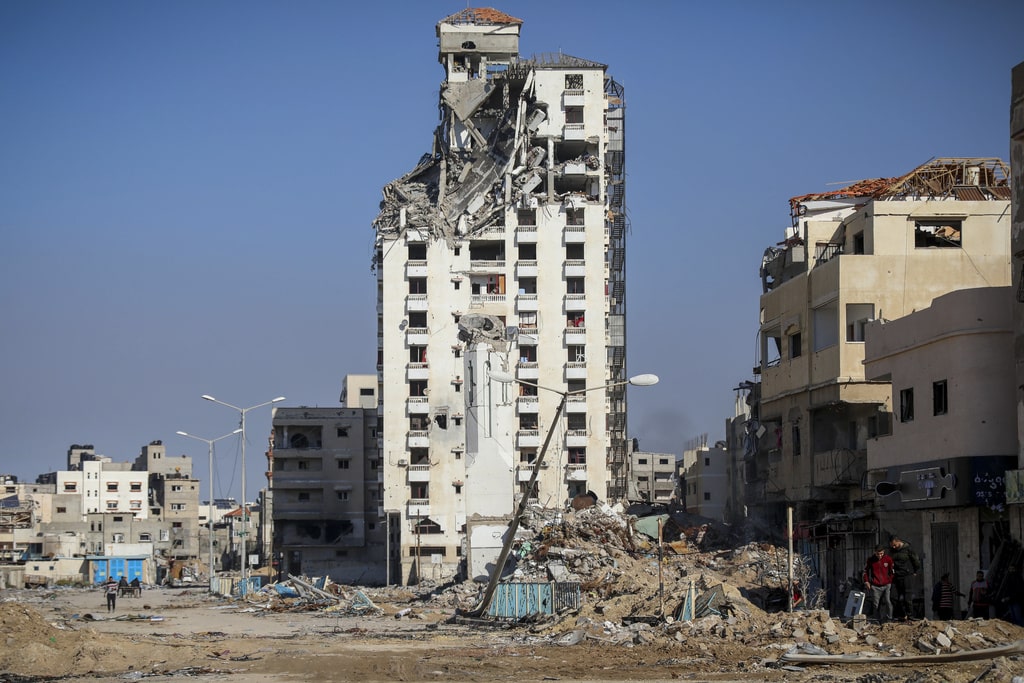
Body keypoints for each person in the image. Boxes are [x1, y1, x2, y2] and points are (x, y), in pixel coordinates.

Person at [889, 536, 921, 620]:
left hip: (907, 575)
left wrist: (915, 571)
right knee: (893, 596)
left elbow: (916, 561)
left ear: (898, 541)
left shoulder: (908, 549)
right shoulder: (892, 551)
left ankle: (910, 615)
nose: (893, 547)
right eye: (892, 545)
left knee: (907, 598)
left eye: (895, 545)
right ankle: (901, 615)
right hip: (896, 576)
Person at [863, 545, 895, 624]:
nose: (880, 555)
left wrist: (889, 581)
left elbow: (892, 571)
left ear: (883, 552)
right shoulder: (871, 560)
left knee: (888, 601)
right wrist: (866, 581)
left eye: (881, 553)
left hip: (886, 584)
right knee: (876, 604)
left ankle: (889, 619)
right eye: (878, 554)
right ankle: (877, 620)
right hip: (875, 586)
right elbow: (865, 571)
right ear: (875, 552)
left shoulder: (888, 559)